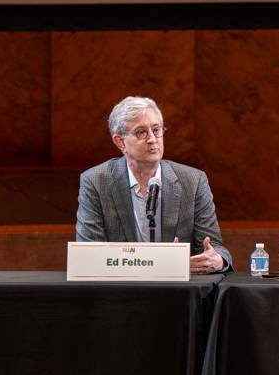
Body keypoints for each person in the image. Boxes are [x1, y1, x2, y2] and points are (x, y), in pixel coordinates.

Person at [75, 96, 232, 273]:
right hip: (121, 291)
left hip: (178, 293)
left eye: (156, 130)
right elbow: (87, 252)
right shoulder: (96, 181)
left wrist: (217, 260)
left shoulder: (193, 180)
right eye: (141, 132)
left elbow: (215, 247)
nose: (152, 139)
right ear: (120, 142)